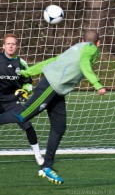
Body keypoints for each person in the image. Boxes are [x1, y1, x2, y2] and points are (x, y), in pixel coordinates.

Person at [0, 30, 106, 184]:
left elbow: (52, 60)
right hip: (50, 86)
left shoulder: (76, 48)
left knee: (59, 127)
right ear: (99, 43)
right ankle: (45, 165)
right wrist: (97, 84)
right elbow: (84, 64)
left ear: (82, 39)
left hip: (57, 91)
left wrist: (29, 71)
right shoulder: (90, 48)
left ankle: (46, 166)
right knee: (23, 116)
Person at [0, 33, 44, 165]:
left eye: (13, 44)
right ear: (3, 46)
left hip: (13, 101)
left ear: (17, 46)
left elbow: (29, 82)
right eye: (8, 43)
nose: (11, 46)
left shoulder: (21, 63)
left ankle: (38, 154)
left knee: (27, 124)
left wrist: (25, 91)